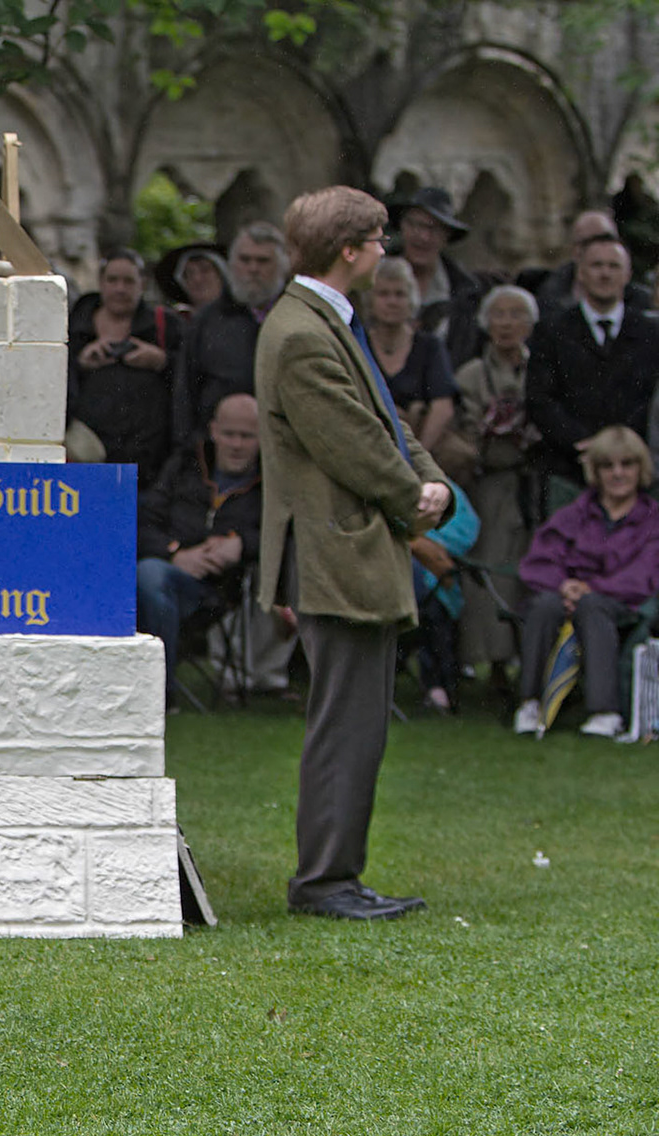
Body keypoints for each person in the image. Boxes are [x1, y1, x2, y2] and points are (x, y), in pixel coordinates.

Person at [254, 186, 454, 922]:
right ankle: (326, 881)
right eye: (377, 240)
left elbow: (387, 421)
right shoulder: (302, 332)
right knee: (347, 722)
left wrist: (432, 485)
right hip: (335, 553)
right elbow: (354, 445)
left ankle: (337, 874)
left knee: (358, 720)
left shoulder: (323, 320)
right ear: (348, 248)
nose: (383, 252)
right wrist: (415, 497)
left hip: (349, 550)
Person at [511, 426, 659, 739]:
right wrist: (564, 586)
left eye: (627, 464)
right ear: (595, 471)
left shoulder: (652, 519)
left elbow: (645, 573)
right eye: (608, 466)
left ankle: (604, 711)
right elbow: (538, 560)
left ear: (640, 468)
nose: (618, 474)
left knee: (593, 607)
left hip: (621, 601)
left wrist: (590, 590)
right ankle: (530, 702)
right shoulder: (574, 514)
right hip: (567, 594)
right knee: (543, 605)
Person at [135, 392, 264, 700]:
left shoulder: (270, 482)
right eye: (229, 434)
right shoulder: (184, 466)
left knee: (149, 576)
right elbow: (142, 519)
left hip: (221, 589)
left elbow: (286, 536)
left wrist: (243, 544)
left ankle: (157, 694)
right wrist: (175, 553)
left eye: (247, 436)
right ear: (214, 430)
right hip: (170, 571)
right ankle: (158, 689)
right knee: (150, 575)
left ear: (263, 438)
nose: (236, 444)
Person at [525, 236, 659, 507]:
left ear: (627, 274)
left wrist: (623, 447)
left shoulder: (651, 333)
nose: (605, 273)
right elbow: (540, 399)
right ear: (581, 272)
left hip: (639, 473)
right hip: (570, 470)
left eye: (613, 266)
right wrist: (585, 444)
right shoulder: (553, 331)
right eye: (597, 265)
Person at [453, 285, 539, 681]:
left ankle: (530, 657)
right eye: (498, 315)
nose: (506, 324)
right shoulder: (470, 374)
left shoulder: (542, 368)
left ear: (531, 323)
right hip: (490, 482)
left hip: (532, 480)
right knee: (492, 569)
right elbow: (462, 428)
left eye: (516, 314)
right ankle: (494, 660)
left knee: (528, 568)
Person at [67, 248, 182, 482]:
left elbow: (190, 378)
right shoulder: (73, 326)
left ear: (143, 283)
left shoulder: (166, 326)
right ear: (100, 282)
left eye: (129, 281)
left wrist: (161, 361)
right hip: (87, 456)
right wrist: (80, 362)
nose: (120, 289)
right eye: (112, 280)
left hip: (149, 462)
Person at [174, 222, 290, 443]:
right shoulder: (206, 322)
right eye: (245, 260)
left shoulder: (299, 317)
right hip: (219, 452)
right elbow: (185, 394)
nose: (253, 269)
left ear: (283, 265)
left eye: (263, 261)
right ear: (232, 264)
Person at [366, 256, 461, 484]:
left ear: (412, 300)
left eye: (399, 294)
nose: (392, 302)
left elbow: (443, 407)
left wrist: (418, 458)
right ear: (371, 300)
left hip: (421, 443)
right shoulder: (357, 344)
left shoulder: (429, 346)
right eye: (383, 294)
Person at [386, 185, 490, 367]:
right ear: (402, 226)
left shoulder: (464, 290)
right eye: (415, 225)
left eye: (433, 229)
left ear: (447, 236)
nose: (423, 237)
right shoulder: (375, 276)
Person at [403, 479, 481, 714]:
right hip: (397, 585)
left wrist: (427, 546)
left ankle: (440, 686)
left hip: (440, 585)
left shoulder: (445, 489)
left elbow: (466, 530)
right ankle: (437, 686)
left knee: (437, 606)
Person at [532, 210, 652, 317]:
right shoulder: (548, 292)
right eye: (589, 243)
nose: (601, 249)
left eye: (607, 239)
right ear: (575, 249)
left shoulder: (642, 301)